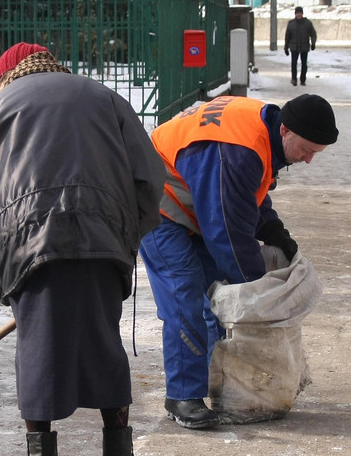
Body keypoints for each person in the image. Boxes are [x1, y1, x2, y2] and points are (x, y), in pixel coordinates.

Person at [0, 43, 165, 456]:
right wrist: (126, 234)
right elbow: (150, 175)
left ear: (6, 76)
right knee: (104, 345)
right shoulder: (105, 97)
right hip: (103, 237)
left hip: (27, 243)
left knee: (37, 351)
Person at [140, 94, 338, 429]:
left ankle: (218, 385)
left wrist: (274, 230)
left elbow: (241, 195)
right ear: (286, 131)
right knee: (185, 294)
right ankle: (183, 396)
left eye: (316, 153)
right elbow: (228, 234)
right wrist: (257, 289)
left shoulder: (262, 133)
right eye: (307, 150)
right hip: (158, 201)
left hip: (192, 200)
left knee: (215, 295)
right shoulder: (238, 149)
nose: (308, 160)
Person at [284, 6, 317, 86]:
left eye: (300, 13)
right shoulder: (291, 24)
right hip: (294, 46)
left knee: (304, 64)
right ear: (295, 14)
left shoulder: (307, 23)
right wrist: (286, 47)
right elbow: (287, 36)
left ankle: (303, 80)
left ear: (302, 14)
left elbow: (313, 34)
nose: (299, 15)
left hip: (304, 46)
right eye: (297, 13)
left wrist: (313, 43)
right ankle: (294, 79)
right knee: (294, 63)